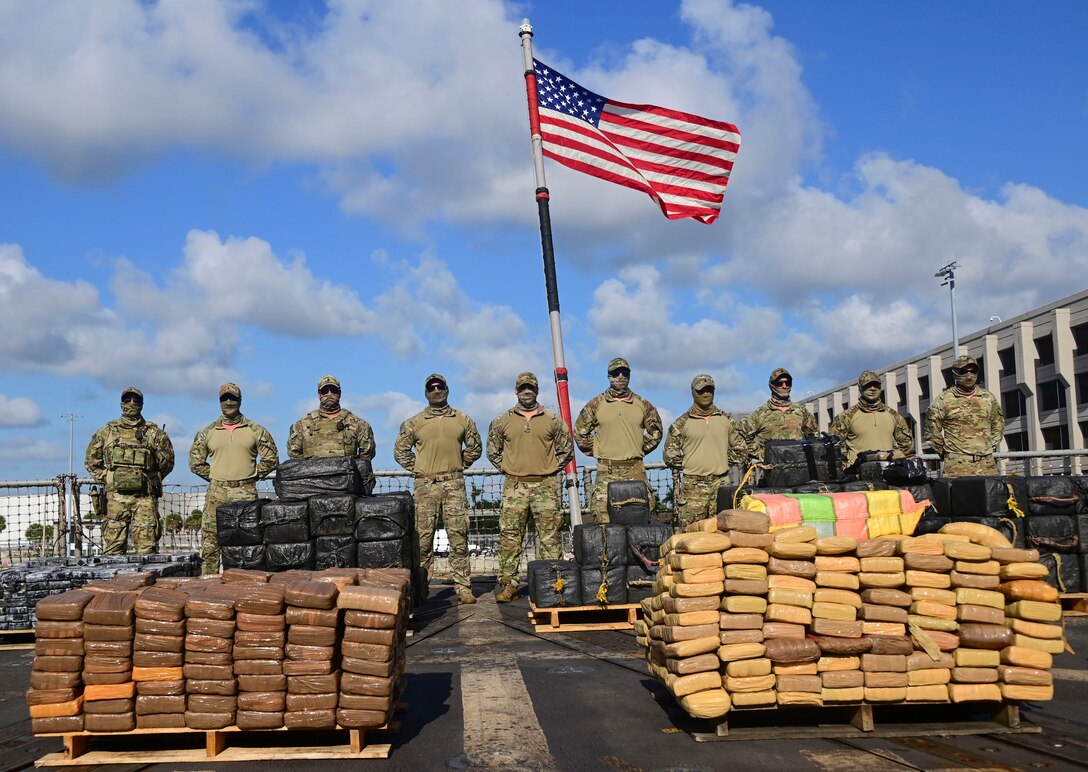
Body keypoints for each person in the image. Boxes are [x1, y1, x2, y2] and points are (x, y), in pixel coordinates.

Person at [393, 374, 482, 605]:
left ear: (447, 389)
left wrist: (460, 464)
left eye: (439, 386)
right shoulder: (414, 422)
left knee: (458, 538)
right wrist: (421, 468)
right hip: (425, 486)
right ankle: (420, 590)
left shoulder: (463, 419)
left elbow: (475, 447)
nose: (436, 391)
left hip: (454, 484)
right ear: (426, 392)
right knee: (422, 541)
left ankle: (463, 588)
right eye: (431, 388)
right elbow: (400, 451)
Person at [487, 372, 574, 602]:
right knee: (510, 537)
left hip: (545, 485)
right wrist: (508, 467)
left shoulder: (553, 419)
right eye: (523, 388)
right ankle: (509, 584)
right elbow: (492, 450)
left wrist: (551, 469)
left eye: (531, 388)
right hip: (515, 485)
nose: (527, 392)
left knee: (549, 538)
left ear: (537, 390)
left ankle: (550, 584)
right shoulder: (502, 420)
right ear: (516, 391)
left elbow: (566, 449)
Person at [189, 383, 279, 574]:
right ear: (219, 402)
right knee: (211, 542)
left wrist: (251, 475)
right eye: (224, 398)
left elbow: (271, 459)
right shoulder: (207, 432)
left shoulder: (256, 430)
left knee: (247, 542)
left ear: (240, 400)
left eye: (232, 398)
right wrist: (216, 477)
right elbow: (195, 462)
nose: (229, 402)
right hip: (217, 493)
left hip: (246, 492)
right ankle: (209, 585)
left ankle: (244, 582)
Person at [84, 387, 174, 555]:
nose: (132, 403)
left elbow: (168, 462)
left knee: (147, 551)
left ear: (142, 404)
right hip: (115, 501)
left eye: (136, 400)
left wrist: (149, 477)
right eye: (128, 400)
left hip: (145, 500)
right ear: (121, 404)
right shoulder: (106, 432)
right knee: (113, 551)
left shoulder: (154, 434)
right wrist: (107, 477)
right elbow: (91, 461)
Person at [574, 357, 663, 522]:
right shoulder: (595, 404)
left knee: (640, 518)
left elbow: (656, 432)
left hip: (635, 469)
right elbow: (580, 433)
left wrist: (637, 446)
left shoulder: (643, 404)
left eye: (625, 373)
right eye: (616, 373)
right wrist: (599, 448)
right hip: (606, 469)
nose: (620, 376)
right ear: (609, 376)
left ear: (629, 376)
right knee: (604, 520)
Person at [663, 374, 747, 528]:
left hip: (721, 484)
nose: (706, 394)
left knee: (724, 531)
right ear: (693, 392)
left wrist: (722, 460)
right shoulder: (682, 423)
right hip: (693, 487)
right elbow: (669, 455)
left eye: (709, 390)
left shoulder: (725, 419)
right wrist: (691, 463)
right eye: (701, 390)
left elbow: (741, 448)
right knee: (691, 534)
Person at [925, 355, 1004, 477]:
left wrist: (989, 447)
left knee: (991, 495)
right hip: (958, 466)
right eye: (963, 371)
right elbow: (932, 433)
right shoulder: (943, 400)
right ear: (955, 373)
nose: (969, 375)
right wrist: (949, 454)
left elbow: (998, 424)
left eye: (973, 371)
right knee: (959, 496)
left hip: (986, 464)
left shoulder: (988, 398)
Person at [830, 370, 914, 468]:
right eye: (868, 385)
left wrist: (896, 460)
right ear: (860, 388)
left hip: (888, 474)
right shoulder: (845, 417)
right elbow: (834, 447)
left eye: (875, 385)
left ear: (880, 387)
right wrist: (847, 467)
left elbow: (907, 446)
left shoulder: (894, 415)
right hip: (858, 477)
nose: (872, 388)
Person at [287, 375, 376, 460]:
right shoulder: (302, 425)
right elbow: (295, 456)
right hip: (313, 475)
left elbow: (366, 455)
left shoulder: (358, 424)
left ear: (339, 393)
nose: (329, 394)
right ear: (319, 394)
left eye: (333, 390)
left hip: (346, 475)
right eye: (325, 390)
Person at [738, 367, 819, 462]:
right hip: (772, 471)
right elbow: (740, 439)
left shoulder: (801, 411)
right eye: (780, 383)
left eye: (787, 383)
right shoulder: (759, 414)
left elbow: (815, 438)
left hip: (799, 469)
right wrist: (762, 455)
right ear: (772, 385)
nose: (784, 386)